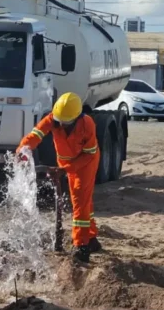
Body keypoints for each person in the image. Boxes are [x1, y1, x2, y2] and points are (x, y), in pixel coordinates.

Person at [16, 92, 101, 263]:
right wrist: (23, 151)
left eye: (66, 121)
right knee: (84, 202)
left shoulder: (87, 124)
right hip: (65, 164)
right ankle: (91, 238)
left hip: (86, 163)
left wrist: (66, 169)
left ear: (77, 117)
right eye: (60, 120)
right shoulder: (52, 119)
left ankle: (81, 246)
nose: (61, 124)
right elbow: (36, 135)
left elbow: (89, 154)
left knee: (79, 200)